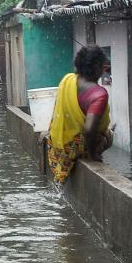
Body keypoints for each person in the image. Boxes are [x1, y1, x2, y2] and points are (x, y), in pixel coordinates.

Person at [47, 46, 113, 184]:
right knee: (109, 134)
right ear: (97, 67)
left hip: (59, 145)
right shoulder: (98, 94)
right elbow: (89, 129)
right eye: (103, 66)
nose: (103, 71)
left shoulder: (68, 80)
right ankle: (94, 152)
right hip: (77, 148)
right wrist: (93, 155)